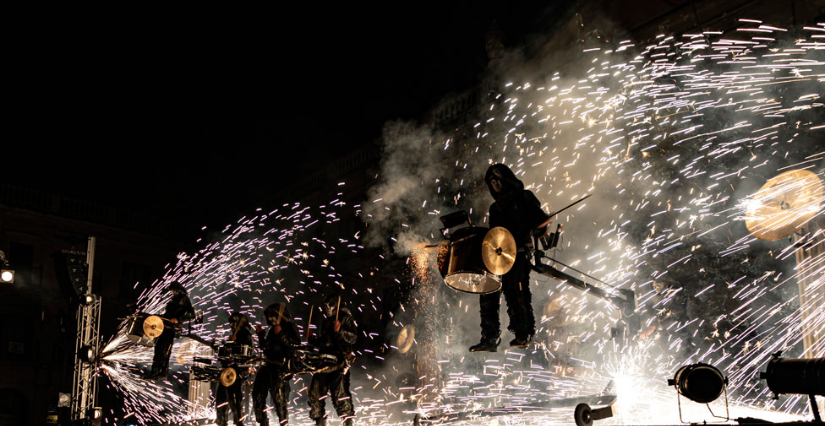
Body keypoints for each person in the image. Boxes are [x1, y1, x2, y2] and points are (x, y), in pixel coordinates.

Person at [470, 164, 549, 352]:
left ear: (506, 179)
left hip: (518, 253)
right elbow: (493, 233)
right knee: (487, 291)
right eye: (491, 182)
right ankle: (489, 338)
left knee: (517, 293)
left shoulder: (524, 197)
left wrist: (538, 228)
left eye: (497, 179)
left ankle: (523, 333)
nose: (494, 184)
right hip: (497, 257)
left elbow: (541, 222)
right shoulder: (495, 207)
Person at [308, 294, 357, 426]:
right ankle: (319, 421)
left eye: (329, 305)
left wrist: (340, 330)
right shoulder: (325, 322)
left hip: (339, 362)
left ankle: (348, 422)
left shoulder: (345, 318)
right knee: (315, 392)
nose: (327, 309)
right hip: (324, 363)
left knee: (339, 395)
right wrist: (313, 340)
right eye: (325, 307)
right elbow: (325, 342)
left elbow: (352, 338)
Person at [253, 303, 301, 426]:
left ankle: (283, 424)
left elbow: (296, 344)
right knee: (257, 393)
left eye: (273, 316)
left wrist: (281, 334)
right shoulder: (272, 331)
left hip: (280, 367)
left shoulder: (289, 327)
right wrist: (260, 335)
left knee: (279, 399)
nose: (270, 319)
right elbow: (266, 348)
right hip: (267, 366)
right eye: (269, 316)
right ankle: (263, 422)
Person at [145, 281, 195, 379]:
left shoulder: (184, 298)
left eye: (172, 290)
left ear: (176, 289)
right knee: (158, 350)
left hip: (171, 328)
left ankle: (162, 373)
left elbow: (191, 315)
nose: (171, 292)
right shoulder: (173, 299)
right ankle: (154, 372)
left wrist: (178, 319)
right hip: (163, 326)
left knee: (164, 351)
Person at [216, 312, 255, 426]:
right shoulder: (234, 335)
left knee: (235, 400)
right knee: (221, 399)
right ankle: (221, 422)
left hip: (236, 372)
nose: (231, 325)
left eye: (233, 322)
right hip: (226, 371)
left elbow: (246, 354)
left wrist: (234, 343)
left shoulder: (246, 335)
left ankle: (239, 423)